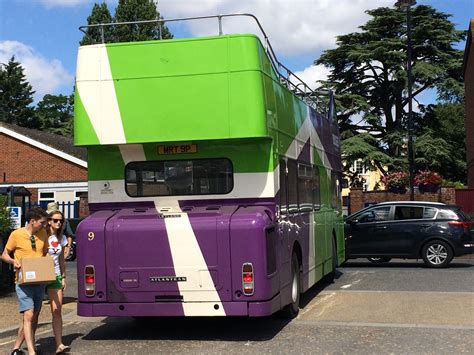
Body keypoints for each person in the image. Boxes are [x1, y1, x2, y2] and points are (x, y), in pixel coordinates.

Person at [1, 207, 49, 355]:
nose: (45, 225)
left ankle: (16, 348)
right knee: (28, 315)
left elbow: (45, 253)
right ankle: (32, 351)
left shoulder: (43, 234)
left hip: (39, 281)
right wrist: (13, 262)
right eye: (42, 222)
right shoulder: (17, 234)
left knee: (33, 317)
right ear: (32, 221)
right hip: (23, 282)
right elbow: (4, 255)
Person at [45, 209, 70, 353]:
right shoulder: (43, 236)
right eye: (55, 220)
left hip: (55, 275)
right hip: (42, 275)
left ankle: (59, 344)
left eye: (61, 221)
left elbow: (61, 259)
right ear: (49, 221)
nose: (58, 223)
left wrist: (64, 276)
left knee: (57, 309)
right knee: (33, 313)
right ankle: (26, 344)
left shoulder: (61, 238)